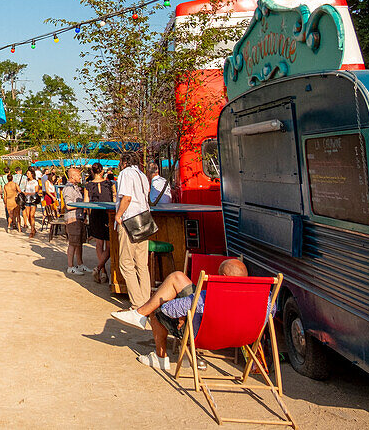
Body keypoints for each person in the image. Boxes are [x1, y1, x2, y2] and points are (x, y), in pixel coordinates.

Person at [111, 259, 249, 371]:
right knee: (179, 281)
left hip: (201, 334)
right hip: (236, 337)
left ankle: (160, 356)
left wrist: (182, 311)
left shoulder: (208, 297)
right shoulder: (261, 300)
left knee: (158, 303)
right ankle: (140, 313)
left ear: (223, 277)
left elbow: (168, 309)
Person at [115, 152, 153, 308]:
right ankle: (145, 300)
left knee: (126, 263)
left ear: (124, 162)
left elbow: (127, 197)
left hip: (129, 220)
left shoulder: (126, 173)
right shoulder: (142, 175)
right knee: (142, 264)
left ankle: (137, 303)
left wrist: (118, 216)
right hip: (144, 219)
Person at [85, 163, 114, 283]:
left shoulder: (88, 186)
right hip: (108, 214)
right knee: (109, 244)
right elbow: (115, 199)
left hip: (95, 215)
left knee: (99, 243)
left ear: (92, 171)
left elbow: (86, 203)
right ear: (102, 171)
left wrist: (87, 217)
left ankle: (102, 271)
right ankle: (100, 269)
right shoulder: (110, 184)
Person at [62, 166, 92, 275]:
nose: (80, 177)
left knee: (79, 243)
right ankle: (70, 266)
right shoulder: (69, 188)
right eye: (79, 175)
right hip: (72, 218)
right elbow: (68, 205)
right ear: (73, 177)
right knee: (73, 243)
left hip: (78, 217)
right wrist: (81, 205)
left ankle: (80, 264)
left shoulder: (76, 187)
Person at [20, 170, 39, 237]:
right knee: (28, 216)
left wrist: (28, 193)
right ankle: (33, 228)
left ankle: (32, 231)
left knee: (32, 215)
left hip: (33, 200)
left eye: (28, 173)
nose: (27, 175)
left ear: (32, 174)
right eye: (27, 173)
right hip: (27, 200)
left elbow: (36, 191)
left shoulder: (35, 182)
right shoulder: (26, 182)